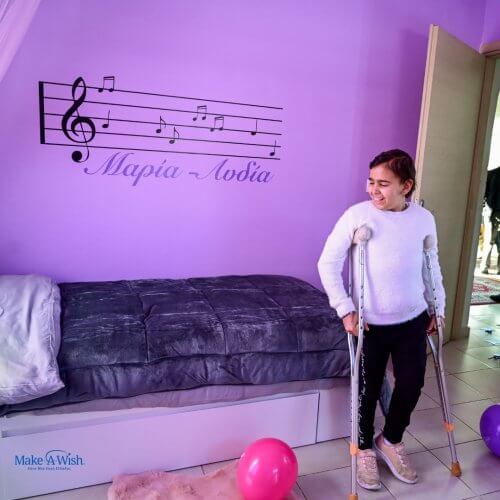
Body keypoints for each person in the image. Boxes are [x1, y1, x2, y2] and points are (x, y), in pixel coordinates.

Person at [317, 149, 446, 491]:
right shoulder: (357, 216)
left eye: (383, 184)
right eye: (371, 181)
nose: (373, 190)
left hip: (412, 319)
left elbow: (431, 265)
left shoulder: (423, 219)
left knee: (411, 384)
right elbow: (327, 263)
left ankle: (390, 440)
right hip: (370, 324)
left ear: (407, 186)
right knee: (367, 390)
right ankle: (363, 449)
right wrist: (345, 308)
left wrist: (438, 306)